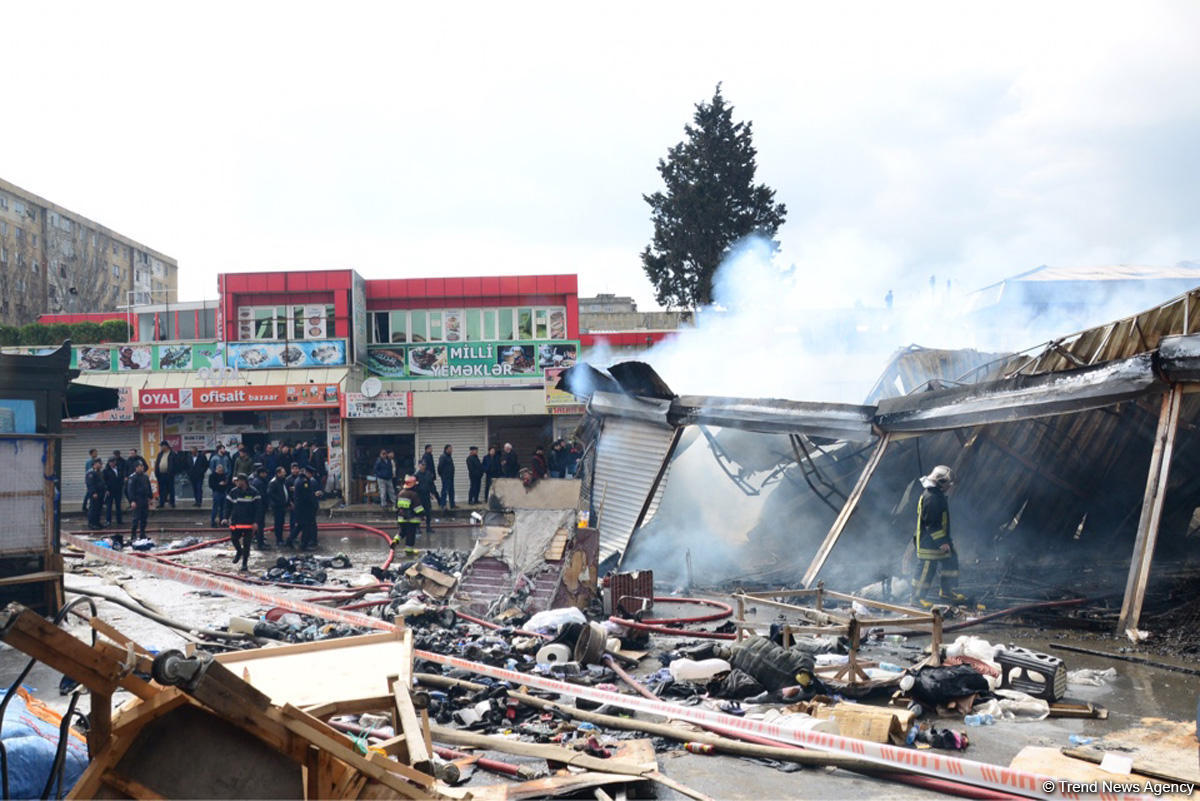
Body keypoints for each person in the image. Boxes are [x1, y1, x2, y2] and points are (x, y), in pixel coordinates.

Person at [911, 465, 965, 606]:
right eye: (948, 483)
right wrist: (942, 542)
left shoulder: (936, 495)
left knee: (951, 559)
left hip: (938, 540)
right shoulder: (932, 498)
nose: (949, 487)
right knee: (926, 569)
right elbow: (931, 524)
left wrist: (946, 541)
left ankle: (947, 593)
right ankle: (916, 598)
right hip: (928, 542)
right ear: (940, 482)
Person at [225, 473, 261, 572]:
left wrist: (256, 522)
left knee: (247, 544)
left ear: (244, 481)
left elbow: (258, 509)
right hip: (236, 522)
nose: (237, 482)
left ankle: (244, 564)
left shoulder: (254, 492)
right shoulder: (233, 492)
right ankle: (239, 552)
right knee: (234, 539)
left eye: (239, 480)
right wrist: (225, 517)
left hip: (249, 523)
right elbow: (228, 506)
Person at [289, 465, 321, 550]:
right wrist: (314, 496)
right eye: (311, 474)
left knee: (300, 526)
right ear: (307, 473)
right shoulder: (304, 482)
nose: (311, 476)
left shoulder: (299, 479)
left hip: (300, 508)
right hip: (304, 508)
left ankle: (289, 541)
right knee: (306, 527)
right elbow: (307, 496)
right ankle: (304, 545)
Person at [123, 460, 151, 549]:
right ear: (136, 468)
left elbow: (148, 488)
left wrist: (150, 498)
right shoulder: (133, 478)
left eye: (142, 466)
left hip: (144, 500)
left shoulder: (145, 477)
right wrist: (132, 501)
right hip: (137, 500)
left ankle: (142, 534)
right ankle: (133, 535)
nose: (141, 468)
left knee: (144, 518)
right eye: (140, 466)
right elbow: (130, 490)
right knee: (136, 519)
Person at [393, 475, 425, 553]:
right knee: (410, 535)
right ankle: (409, 550)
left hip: (401, 518)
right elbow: (418, 508)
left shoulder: (400, 493)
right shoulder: (413, 495)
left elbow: (395, 507)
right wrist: (423, 515)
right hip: (412, 519)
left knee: (402, 532)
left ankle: (395, 540)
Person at [267, 466, 290, 546]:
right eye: (283, 472)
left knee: (281, 522)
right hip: (277, 506)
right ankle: (279, 540)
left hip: (282, 506)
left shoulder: (282, 481)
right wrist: (280, 501)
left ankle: (280, 539)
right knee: (278, 523)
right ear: (278, 473)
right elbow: (270, 493)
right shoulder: (274, 482)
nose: (285, 473)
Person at [251, 464, 270, 548]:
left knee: (260, 524)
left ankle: (260, 541)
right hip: (260, 507)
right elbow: (262, 496)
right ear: (261, 473)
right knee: (260, 525)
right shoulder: (259, 483)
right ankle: (260, 543)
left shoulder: (257, 481)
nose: (266, 475)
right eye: (265, 473)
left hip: (258, 506)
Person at [154, 440, 177, 508]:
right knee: (162, 489)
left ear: (166, 446)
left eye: (162, 446)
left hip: (169, 474)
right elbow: (157, 463)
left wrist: (173, 472)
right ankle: (162, 503)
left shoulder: (172, 454)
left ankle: (172, 502)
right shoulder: (160, 454)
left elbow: (176, 464)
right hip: (161, 475)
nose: (161, 447)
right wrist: (156, 473)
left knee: (171, 489)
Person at [415, 460, 435, 534]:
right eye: (422, 465)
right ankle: (417, 528)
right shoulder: (416, 475)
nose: (423, 466)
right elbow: (415, 487)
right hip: (419, 496)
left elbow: (431, 484)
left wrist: (432, 493)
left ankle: (428, 527)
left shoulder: (428, 474)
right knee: (418, 512)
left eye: (424, 465)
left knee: (428, 512)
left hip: (426, 496)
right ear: (419, 465)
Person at [102, 457, 123, 527]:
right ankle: (108, 520)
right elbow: (104, 481)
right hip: (110, 490)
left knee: (118, 505)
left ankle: (119, 520)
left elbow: (121, 478)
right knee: (109, 506)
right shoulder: (106, 471)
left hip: (118, 490)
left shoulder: (119, 469)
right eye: (110, 462)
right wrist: (106, 489)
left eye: (113, 462)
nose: (112, 463)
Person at [285, 462, 303, 543]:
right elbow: (286, 493)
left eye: (296, 468)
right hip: (293, 502)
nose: (295, 470)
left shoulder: (301, 478)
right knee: (293, 520)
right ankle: (292, 537)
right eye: (293, 469)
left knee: (301, 520)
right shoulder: (288, 479)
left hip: (300, 502)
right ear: (291, 470)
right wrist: (289, 502)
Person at [85, 459, 105, 530]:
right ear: (95, 464)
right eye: (100, 464)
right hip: (95, 493)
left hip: (101, 493)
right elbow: (90, 484)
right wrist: (93, 492)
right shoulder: (91, 473)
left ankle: (97, 522)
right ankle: (91, 523)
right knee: (93, 508)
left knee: (99, 508)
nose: (101, 465)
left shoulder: (99, 472)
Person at [437, 444, 456, 509]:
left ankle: (452, 504)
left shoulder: (449, 456)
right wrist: (442, 475)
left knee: (451, 491)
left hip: (450, 477)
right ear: (446, 449)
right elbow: (440, 467)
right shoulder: (443, 457)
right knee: (444, 491)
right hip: (445, 477)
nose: (451, 450)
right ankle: (443, 505)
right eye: (450, 449)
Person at [83, 448, 99, 514]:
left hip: (92, 479)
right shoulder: (90, 461)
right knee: (89, 493)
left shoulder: (95, 460)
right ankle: (84, 506)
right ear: (91, 454)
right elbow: (90, 471)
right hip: (91, 480)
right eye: (95, 452)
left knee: (89, 493)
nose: (96, 453)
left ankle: (85, 505)